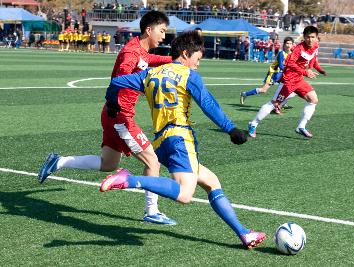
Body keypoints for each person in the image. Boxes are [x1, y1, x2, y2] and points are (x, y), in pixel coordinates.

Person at [100, 31, 266, 249]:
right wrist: (231, 129)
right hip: (179, 139)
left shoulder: (150, 74)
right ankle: (128, 179)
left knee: (211, 182)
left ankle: (245, 234)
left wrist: (112, 102)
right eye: (197, 59)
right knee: (185, 194)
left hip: (161, 142)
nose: (198, 64)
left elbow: (117, 83)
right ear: (186, 54)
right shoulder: (189, 76)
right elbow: (208, 104)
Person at [38, 11, 176, 225]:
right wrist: (144, 82)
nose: (164, 36)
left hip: (112, 114)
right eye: (162, 31)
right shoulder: (132, 52)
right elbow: (121, 78)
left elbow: (151, 60)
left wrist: (174, 61)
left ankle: (59, 161)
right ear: (149, 30)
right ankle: (151, 211)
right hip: (119, 115)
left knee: (108, 164)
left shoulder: (140, 50)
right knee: (152, 160)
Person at [248, 26, 327, 138]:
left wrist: (316, 69)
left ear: (316, 37)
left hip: (299, 80)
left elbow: (313, 58)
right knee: (274, 103)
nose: (310, 39)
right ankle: (253, 123)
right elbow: (289, 64)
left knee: (313, 99)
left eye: (313, 37)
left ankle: (301, 127)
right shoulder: (298, 49)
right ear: (304, 37)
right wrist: (306, 72)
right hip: (289, 80)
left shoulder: (315, 46)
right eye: (308, 37)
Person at [240, 37, 295, 114]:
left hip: (282, 74)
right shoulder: (281, 53)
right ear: (284, 44)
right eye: (287, 43)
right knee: (263, 90)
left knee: (288, 89)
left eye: (290, 43)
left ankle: (281, 104)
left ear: (292, 45)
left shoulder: (292, 54)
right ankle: (245, 94)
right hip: (274, 74)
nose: (288, 45)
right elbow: (281, 66)